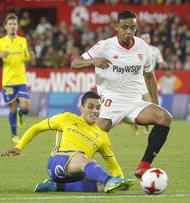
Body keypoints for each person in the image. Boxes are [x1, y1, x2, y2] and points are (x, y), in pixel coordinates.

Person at [71, 10, 172, 178]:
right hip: (111, 100)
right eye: (124, 27)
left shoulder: (143, 47)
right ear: (116, 27)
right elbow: (75, 63)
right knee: (93, 136)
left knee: (165, 117)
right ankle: (72, 169)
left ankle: (144, 166)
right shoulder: (104, 46)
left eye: (132, 27)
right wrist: (93, 61)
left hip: (135, 102)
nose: (129, 32)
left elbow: (150, 77)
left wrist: (155, 104)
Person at [1, 91, 134, 193]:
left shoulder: (102, 136)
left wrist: (120, 181)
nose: (95, 111)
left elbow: (113, 164)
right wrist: (19, 146)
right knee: (84, 159)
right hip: (58, 161)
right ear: (81, 108)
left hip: (78, 173)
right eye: (91, 107)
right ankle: (109, 180)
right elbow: (37, 128)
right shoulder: (66, 118)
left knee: (102, 187)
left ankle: (56, 186)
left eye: (98, 108)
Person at [0, 13, 35, 143]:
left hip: (21, 79)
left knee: (26, 108)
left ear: (17, 26)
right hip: (8, 81)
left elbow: (25, 57)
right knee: (12, 108)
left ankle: (21, 115)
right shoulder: (0, 42)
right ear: (5, 27)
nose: (13, 26)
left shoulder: (23, 41)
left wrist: (31, 56)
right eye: (10, 24)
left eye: (14, 24)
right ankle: (14, 135)